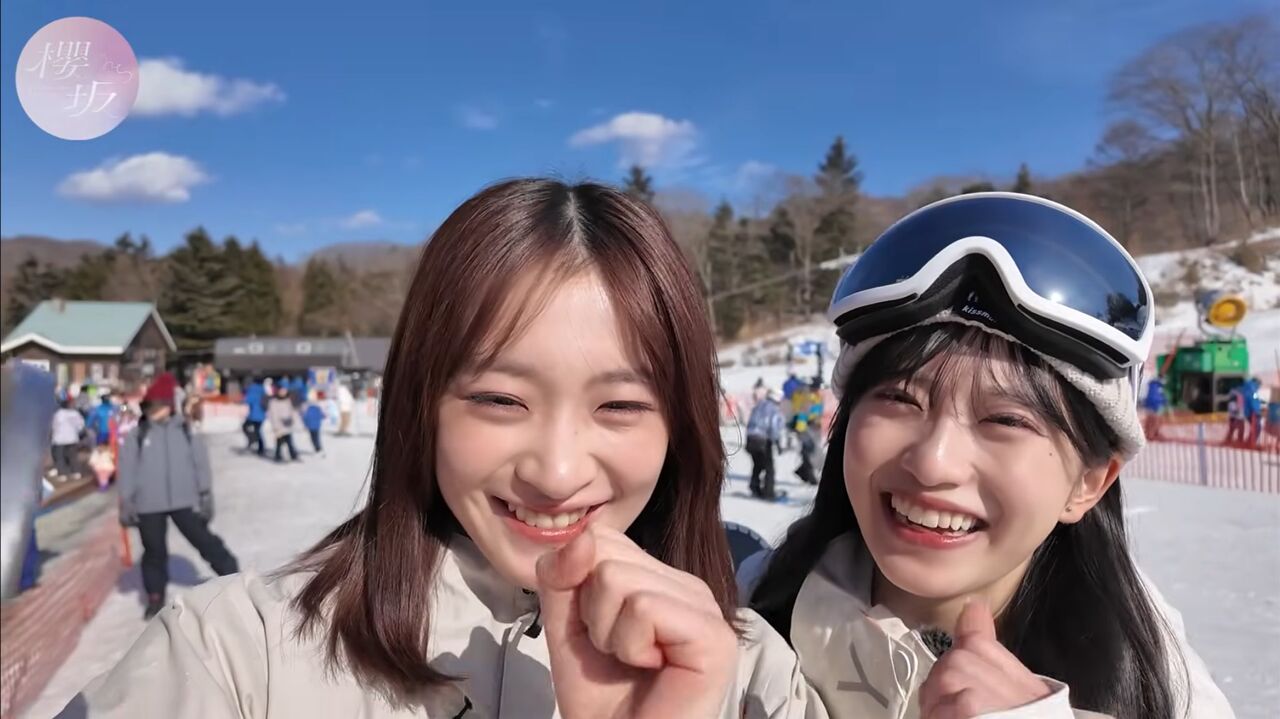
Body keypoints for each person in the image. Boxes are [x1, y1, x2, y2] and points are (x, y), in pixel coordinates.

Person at [66, 179, 821, 718]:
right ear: (419, 405)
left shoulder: (754, 677)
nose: (557, 472)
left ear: (680, 428)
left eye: (619, 406)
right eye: (499, 400)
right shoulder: (234, 657)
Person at [745, 193, 1234, 718]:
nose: (933, 463)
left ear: (1090, 482)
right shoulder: (747, 617)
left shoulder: (1159, 682)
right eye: (900, 399)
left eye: (1006, 421)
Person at [116, 372, 239, 619]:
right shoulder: (137, 435)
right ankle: (155, 596)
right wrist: (126, 501)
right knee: (154, 551)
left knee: (204, 540)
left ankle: (232, 577)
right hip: (148, 504)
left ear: (169, 406)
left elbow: (200, 464)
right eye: (150, 406)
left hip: (184, 500)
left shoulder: (185, 431)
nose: (154, 411)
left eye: (158, 406)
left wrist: (205, 494)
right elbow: (127, 469)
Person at [746, 389, 786, 499]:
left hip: (750, 438)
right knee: (769, 467)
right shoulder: (774, 409)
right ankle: (769, 492)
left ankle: (754, 486)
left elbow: (750, 422)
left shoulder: (758, 405)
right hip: (763, 439)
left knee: (757, 464)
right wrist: (777, 442)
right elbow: (773, 427)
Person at [49, 395, 85, 480]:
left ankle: (62, 474)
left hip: (59, 439)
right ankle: (76, 472)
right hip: (72, 438)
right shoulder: (75, 414)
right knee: (72, 456)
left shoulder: (58, 414)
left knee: (60, 457)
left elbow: (53, 426)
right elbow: (81, 426)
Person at [267, 383, 302, 462]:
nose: (283, 392)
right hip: (279, 425)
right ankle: (278, 456)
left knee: (289, 441)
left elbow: (292, 411)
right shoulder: (274, 402)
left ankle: (292, 455)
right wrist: (276, 426)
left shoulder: (288, 400)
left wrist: (293, 419)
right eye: (281, 391)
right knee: (279, 441)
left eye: (284, 391)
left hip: (287, 424)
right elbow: (273, 415)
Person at [242, 378, 267, 455]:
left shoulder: (252, 389)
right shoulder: (263, 390)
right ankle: (261, 448)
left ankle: (252, 439)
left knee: (245, 427)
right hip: (262, 415)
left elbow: (247, 400)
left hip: (254, 415)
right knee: (257, 431)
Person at [302, 391, 327, 457]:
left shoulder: (308, 408)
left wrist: (305, 425)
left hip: (312, 426)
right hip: (315, 426)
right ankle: (318, 449)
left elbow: (305, 418)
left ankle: (318, 449)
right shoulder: (317, 408)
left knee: (314, 438)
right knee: (316, 438)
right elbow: (323, 415)